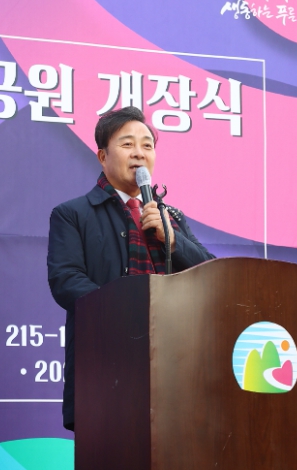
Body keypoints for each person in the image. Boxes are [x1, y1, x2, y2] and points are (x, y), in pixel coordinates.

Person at [47, 106, 215, 431]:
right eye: (127, 144)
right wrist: (132, 313)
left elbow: (211, 275)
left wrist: (173, 241)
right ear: (102, 156)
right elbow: (66, 281)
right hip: (108, 361)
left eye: (147, 145)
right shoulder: (73, 214)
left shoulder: (171, 218)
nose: (139, 153)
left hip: (177, 360)